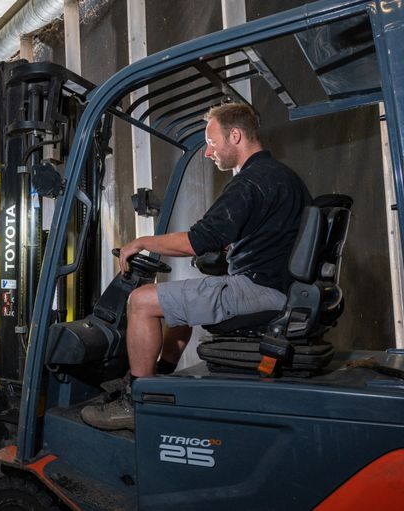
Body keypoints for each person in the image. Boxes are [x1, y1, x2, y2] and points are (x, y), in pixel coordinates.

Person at [81, 102, 312, 431]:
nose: (208, 152)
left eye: (212, 142)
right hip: (280, 286)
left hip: (261, 290)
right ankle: (160, 375)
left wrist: (143, 242)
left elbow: (196, 241)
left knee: (142, 301)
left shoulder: (250, 183)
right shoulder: (285, 178)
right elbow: (267, 235)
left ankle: (137, 404)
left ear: (235, 136)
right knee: (178, 301)